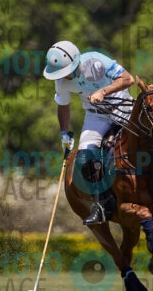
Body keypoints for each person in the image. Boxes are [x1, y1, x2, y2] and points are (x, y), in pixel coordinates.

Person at [43, 40, 134, 225]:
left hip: (123, 109)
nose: (64, 77)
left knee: (151, 136)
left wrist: (103, 91)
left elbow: (128, 79)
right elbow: (63, 106)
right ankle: (101, 206)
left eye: (66, 72)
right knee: (84, 157)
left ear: (76, 62)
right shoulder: (61, 82)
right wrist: (64, 134)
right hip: (96, 116)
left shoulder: (96, 62)